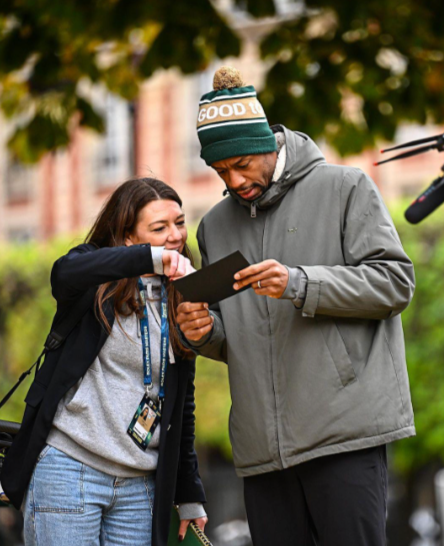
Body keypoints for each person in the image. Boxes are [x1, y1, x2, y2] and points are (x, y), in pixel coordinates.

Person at [177, 66, 416, 546]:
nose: (234, 178)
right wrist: (204, 334)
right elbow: (240, 338)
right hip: (263, 454)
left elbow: (394, 284)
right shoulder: (215, 227)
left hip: (344, 436)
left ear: (269, 141)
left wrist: (300, 283)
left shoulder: (346, 188)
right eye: (221, 170)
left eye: (242, 162)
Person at [2, 178, 207, 546]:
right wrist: (150, 259)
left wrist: (189, 493)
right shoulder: (95, 283)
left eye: (179, 222)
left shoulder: (183, 295)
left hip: (140, 488)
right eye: (158, 228)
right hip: (69, 471)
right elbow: (64, 272)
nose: (175, 236)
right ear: (129, 238)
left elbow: (181, 405)